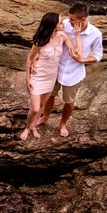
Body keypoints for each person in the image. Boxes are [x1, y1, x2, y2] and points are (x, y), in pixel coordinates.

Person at [39, 2, 103, 137]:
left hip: (74, 73)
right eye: (69, 18)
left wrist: (83, 60)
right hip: (56, 68)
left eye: (73, 19)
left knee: (68, 101)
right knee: (50, 95)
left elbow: (98, 55)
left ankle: (63, 123)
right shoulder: (65, 24)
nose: (69, 21)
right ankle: (45, 117)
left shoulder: (95, 34)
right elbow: (49, 36)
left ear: (83, 19)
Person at [20, 12, 80, 140]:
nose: (63, 24)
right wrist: (27, 79)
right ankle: (27, 128)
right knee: (35, 109)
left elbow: (75, 52)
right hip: (38, 76)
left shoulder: (63, 36)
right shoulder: (40, 40)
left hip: (51, 77)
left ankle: (33, 126)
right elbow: (30, 58)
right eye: (60, 22)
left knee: (42, 105)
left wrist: (77, 35)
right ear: (53, 25)